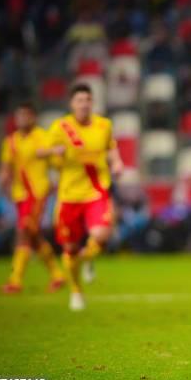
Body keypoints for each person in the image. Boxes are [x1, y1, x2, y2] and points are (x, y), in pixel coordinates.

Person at [40, 84, 123, 311]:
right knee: (70, 248)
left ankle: (88, 258)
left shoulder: (103, 125)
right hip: (69, 195)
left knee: (102, 234)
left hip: (96, 191)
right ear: (71, 104)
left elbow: (111, 147)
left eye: (87, 99)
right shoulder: (61, 127)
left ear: (92, 102)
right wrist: (52, 152)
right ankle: (76, 291)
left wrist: (116, 162)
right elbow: (40, 151)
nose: (84, 104)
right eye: (79, 100)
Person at [0, 102, 65, 293]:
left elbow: (56, 163)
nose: (22, 119)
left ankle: (15, 280)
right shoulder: (10, 141)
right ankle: (57, 275)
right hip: (19, 195)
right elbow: (6, 167)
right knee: (34, 236)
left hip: (37, 194)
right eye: (19, 116)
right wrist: (1, 183)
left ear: (34, 118)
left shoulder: (42, 137)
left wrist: (54, 153)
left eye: (26, 116)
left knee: (23, 232)